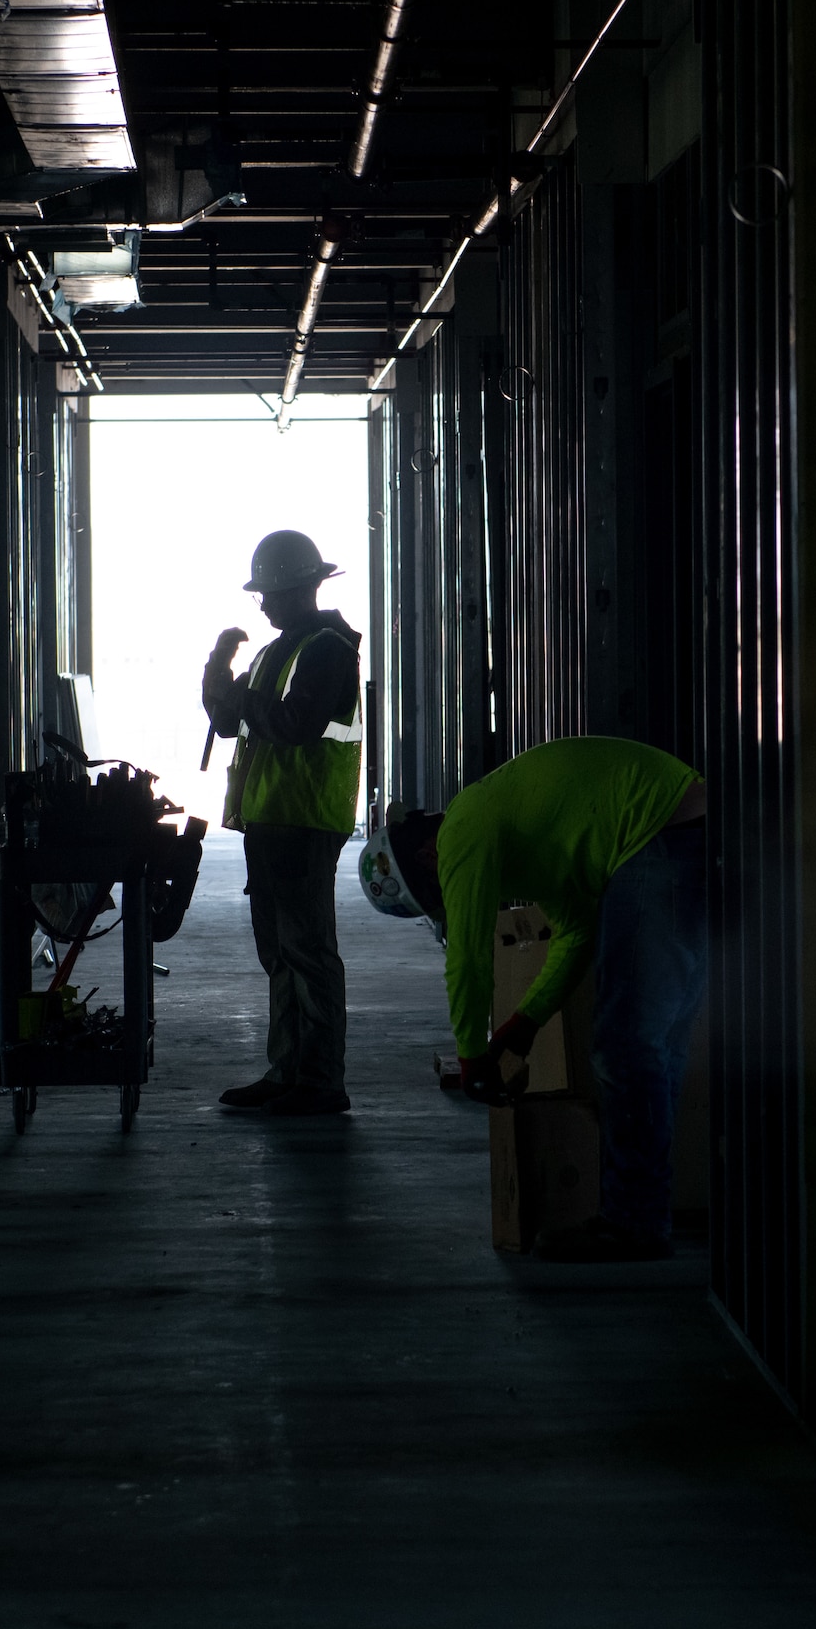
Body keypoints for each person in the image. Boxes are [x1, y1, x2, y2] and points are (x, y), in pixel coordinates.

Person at [357, 737, 707, 1259]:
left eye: (440, 896)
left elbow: (471, 956)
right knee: (658, 1045)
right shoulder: (529, 840)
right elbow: (576, 932)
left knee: (625, 1045)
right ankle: (652, 1209)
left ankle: (634, 1223)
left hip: (656, 834)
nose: (450, 904)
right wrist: (524, 1022)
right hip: (681, 829)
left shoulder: (460, 831)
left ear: (429, 858)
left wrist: (473, 1056)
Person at [203, 530, 363, 1117]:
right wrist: (218, 668)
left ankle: (320, 1081)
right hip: (271, 823)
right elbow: (228, 718)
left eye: (269, 592)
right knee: (279, 953)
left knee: (308, 951)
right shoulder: (277, 652)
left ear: (300, 590)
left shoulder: (327, 648)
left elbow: (295, 723)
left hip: (303, 822)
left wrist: (240, 699)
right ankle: (288, 1070)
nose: (263, 603)